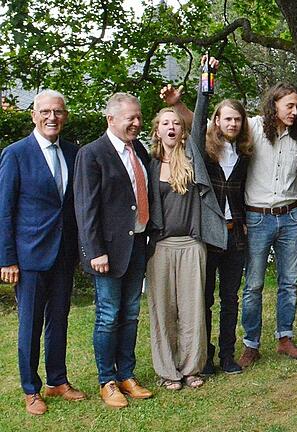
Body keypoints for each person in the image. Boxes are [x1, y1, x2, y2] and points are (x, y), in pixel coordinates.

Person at [164, 82, 297, 368]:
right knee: (252, 285)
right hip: (253, 218)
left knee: (289, 283)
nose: (294, 111)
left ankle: (284, 338)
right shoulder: (252, 130)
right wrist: (179, 105)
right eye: (288, 105)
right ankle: (249, 345)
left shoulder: (295, 138)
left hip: (288, 216)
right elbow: (203, 125)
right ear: (274, 105)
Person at [0, 90, 86, 415]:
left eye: (58, 112)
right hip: (29, 256)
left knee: (59, 319)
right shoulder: (16, 154)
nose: (52, 117)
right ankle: (30, 388)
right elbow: (4, 210)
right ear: (34, 115)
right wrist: (6, 258)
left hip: (63, 254)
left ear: (65, 116)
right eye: (46, 111)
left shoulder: (73, 152)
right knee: (30, 323)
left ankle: (57, 380)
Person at [145, 56, 228, 390]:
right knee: (163, 311)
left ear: (181, 130)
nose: (171, 127)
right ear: (157, 131)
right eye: (165, 123)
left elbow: (202, 116)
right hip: (160, 248)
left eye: (175, 123)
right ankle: (168, 370)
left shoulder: (193, 155)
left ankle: (193, 367)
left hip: (192, 245)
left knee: (194, 309)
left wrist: (204, 80)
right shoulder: (147, 162)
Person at [160, 88, 253, 376]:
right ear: (217, 121)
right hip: (208, 235)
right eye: (227, 119)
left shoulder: (245, 154)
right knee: (204, 300)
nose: (232, 124)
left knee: (230, 298)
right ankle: (205, 356)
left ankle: (227, 354)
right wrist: (200, 92)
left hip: (236, 234)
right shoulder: (203, 150)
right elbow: (195, 121)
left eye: (237, 120)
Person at [74, 92, 153, 408]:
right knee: (108, 315)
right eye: (129, 118)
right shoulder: (92, 154)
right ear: (110, 119)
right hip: (107, 251)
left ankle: (127, 375)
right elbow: (86, 207)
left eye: (138, 117)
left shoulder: (140, 150)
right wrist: (95, 250)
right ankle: (107, 380)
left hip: (137, 246)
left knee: (131, 313)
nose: (136, 123)